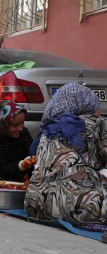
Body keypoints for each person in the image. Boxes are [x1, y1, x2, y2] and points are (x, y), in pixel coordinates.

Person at [25, 83, 107, 228]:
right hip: (81, 208)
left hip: (36, 205)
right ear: (84, 104)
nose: (98, 110)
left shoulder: (47, 129)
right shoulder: (96, 124)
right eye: (96, 105)